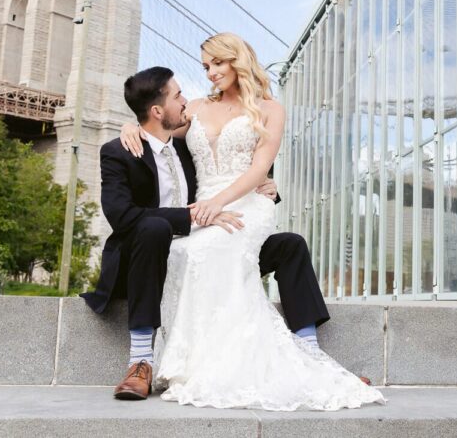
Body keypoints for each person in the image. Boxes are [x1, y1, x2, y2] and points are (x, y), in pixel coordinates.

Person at [114, 33, 383, 410]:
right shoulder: (193, 107)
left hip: (245, 204)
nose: (210, 73)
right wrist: (130, 127)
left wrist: (217, 202)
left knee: (220, 247)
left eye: (217, 63)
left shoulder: (271, 109)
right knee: (187, 250)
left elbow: (260, 167)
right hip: (203, 208)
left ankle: (308, 356)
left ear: (237, 60)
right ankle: (167, 358)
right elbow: (154, 128)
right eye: (206, 66)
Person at [80, 63, 333, 403]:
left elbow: (232, 168)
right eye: (177, 95)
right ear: (157, 110)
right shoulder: (119, 152)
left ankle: (312, 355)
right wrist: (193, 218)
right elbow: (123, 218)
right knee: (153, 227)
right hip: (149, 257)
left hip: (212, 238)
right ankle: (140, 360)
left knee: (290, 245)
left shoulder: (187, 145)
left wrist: (268, 185)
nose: (186, 101)